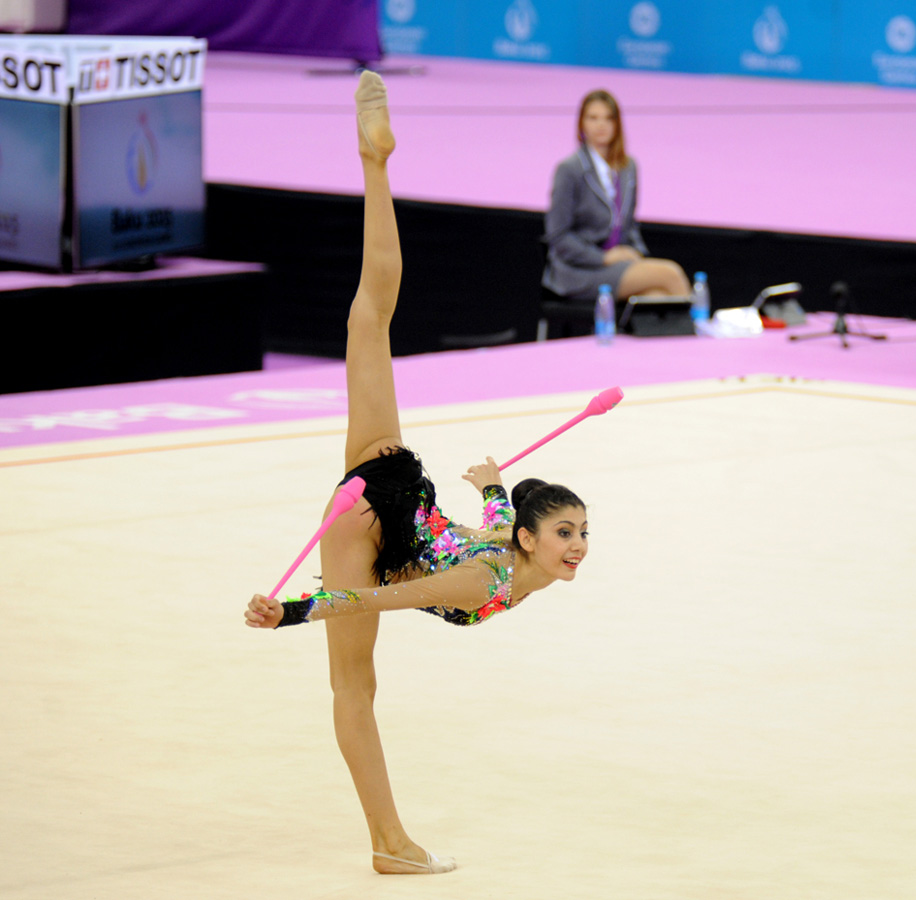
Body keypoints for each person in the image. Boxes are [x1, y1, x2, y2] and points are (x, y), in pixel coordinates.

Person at [244, 71, 589, 876]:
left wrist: (493, 483)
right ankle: (389, 843)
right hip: (370, 524)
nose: (577, 546)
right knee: (354, 688)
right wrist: (290, 614)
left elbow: (498, 521)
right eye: (566, 534)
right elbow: (373, 599)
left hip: (395, 478)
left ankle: (375, 164)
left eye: (580, 533)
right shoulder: (483, 581)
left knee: (371, 318)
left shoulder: (508, 548)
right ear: (534, 542)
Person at [542, 89, 691, 307]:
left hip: (618, 264)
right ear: (581, 123)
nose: (601, 125)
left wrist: (636, 254)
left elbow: (629, 226)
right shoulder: (570, 169)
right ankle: (697, 326)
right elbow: (558, 236)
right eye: (593, 118)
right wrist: (604, 258)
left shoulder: (628, 168)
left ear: (617, 124)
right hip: (580, 271)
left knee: (657, 295)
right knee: (671, 275)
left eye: (608, 118)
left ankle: (678, 329)